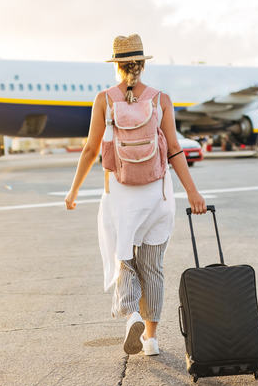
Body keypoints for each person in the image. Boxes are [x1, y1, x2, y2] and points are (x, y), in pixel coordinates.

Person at [65, 34, 206, 357]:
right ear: (142, 65)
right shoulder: (161, 99)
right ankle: (152, 340)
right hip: (158, 195)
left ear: (117, 67)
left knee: (125, 261)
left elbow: (90, 149)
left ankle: (131, 316)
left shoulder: (105, 99)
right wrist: (193, 192)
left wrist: (73, 190)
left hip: (120, 195)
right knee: (153, 267)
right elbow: (173, 149)